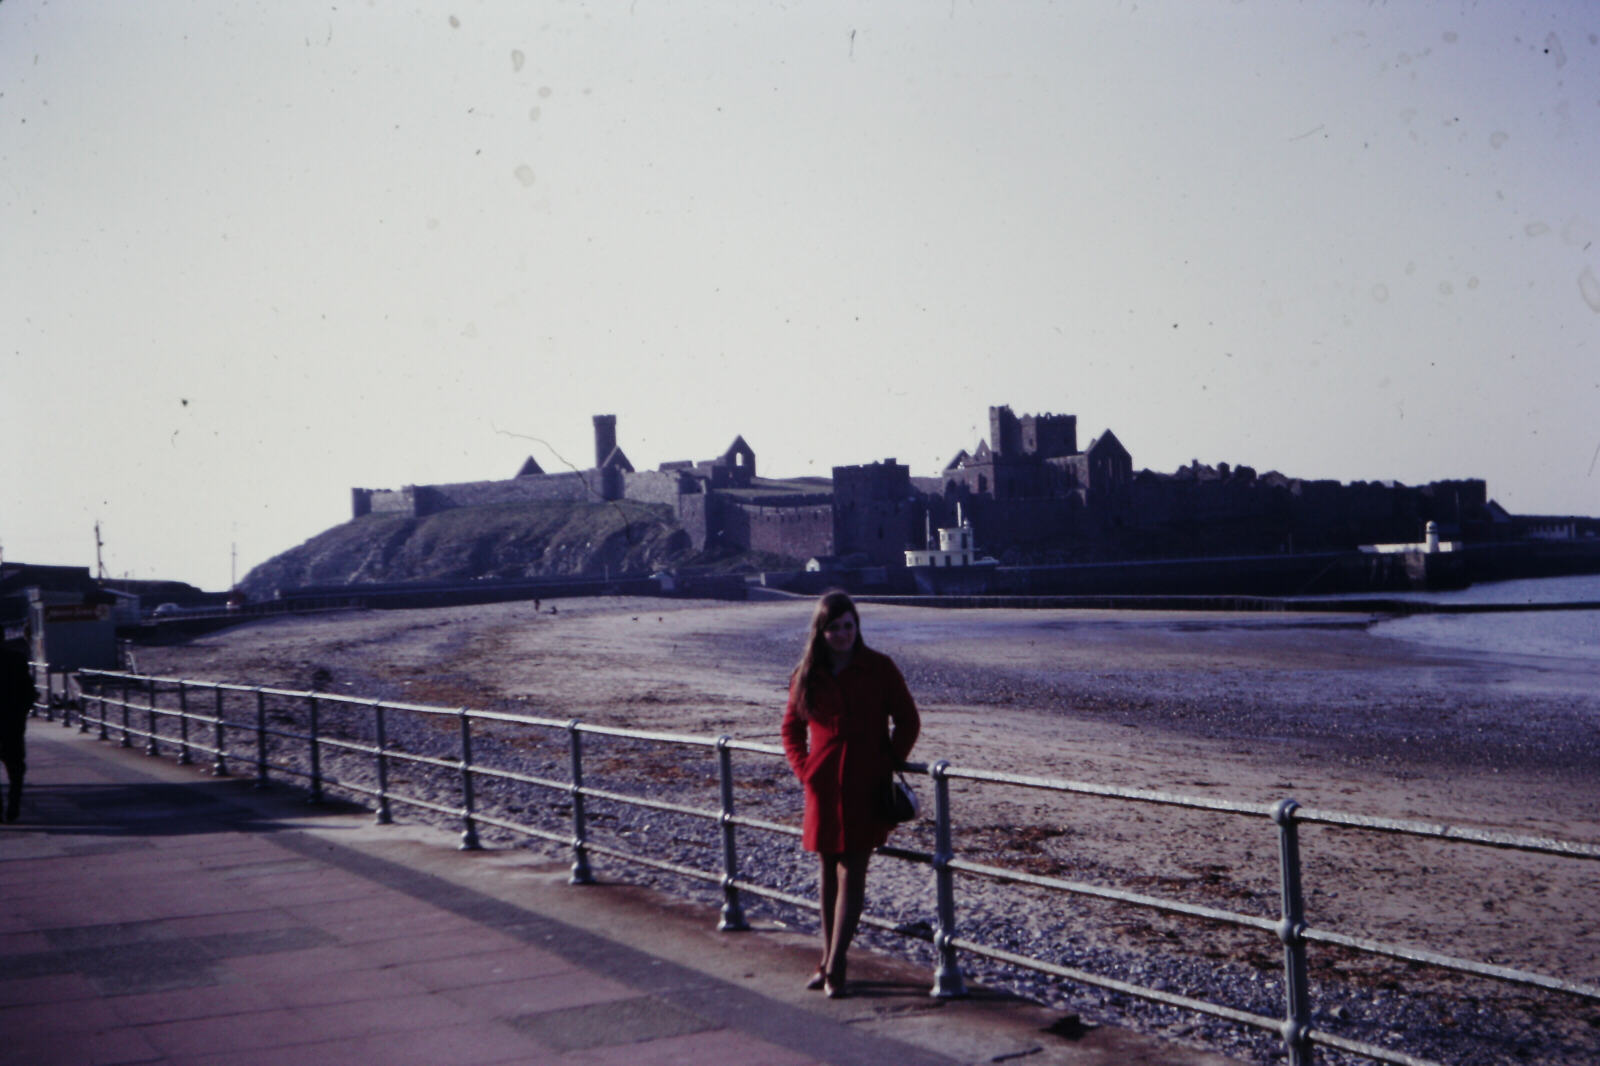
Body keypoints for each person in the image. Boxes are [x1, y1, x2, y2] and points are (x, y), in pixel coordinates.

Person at [781, 590, 920, 998]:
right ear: (820, 632)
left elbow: (908, 721)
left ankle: (836, 963)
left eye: (848, 626)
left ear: (857, 627)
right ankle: (826, 958)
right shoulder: (807, 674)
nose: (843, 634)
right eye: (834, 628)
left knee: (852, 872)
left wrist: (888, 761)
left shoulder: (879, 668)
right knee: (827, 872)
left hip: (866, 785)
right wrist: (804, 770)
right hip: (822, 786)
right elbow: (790, 729)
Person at [1, 638, 38, 823]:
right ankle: (13, 805)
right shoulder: (16, 660)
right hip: (12, 724)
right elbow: (29, 692)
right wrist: (22, 712)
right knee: (16, 769)